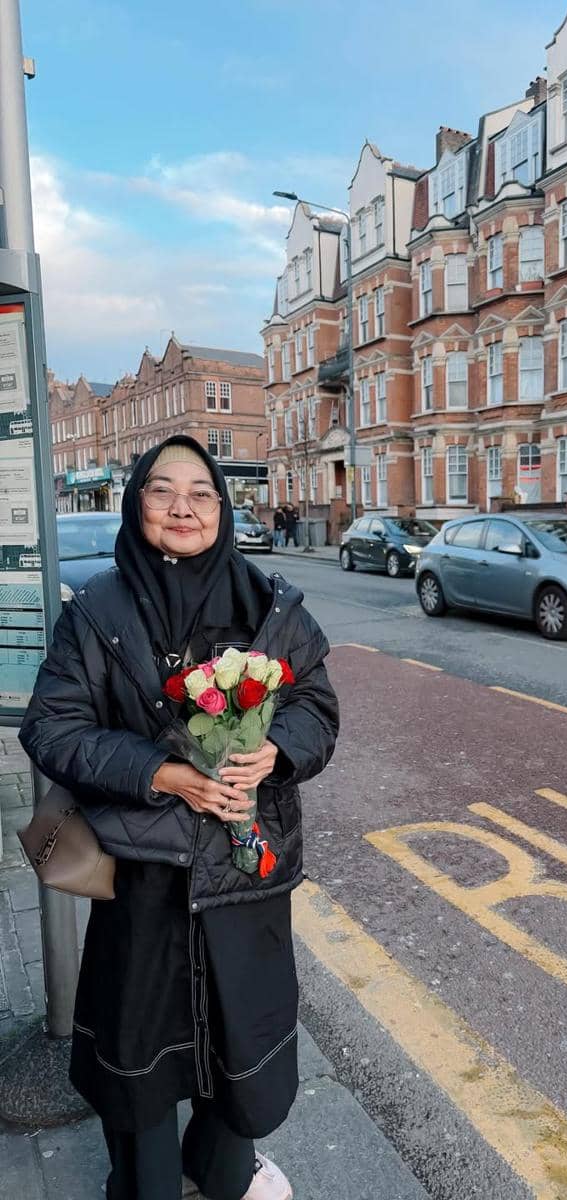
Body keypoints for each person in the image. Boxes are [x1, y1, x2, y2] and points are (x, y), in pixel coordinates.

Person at [20, 436, 340, 1200]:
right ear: (138, 505)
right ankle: (148, 1184)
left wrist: (277, 755)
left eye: (201, 492)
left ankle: (224, 1166)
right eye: (163, 492)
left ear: (223, 510)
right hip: (145, 874)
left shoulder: (270, 604)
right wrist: (164, 775)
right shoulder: (98, 613)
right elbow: (52, 728)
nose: (183, 508)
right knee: (140, 1048)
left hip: (245, 870)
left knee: (244, 1035)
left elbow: (316, 707)